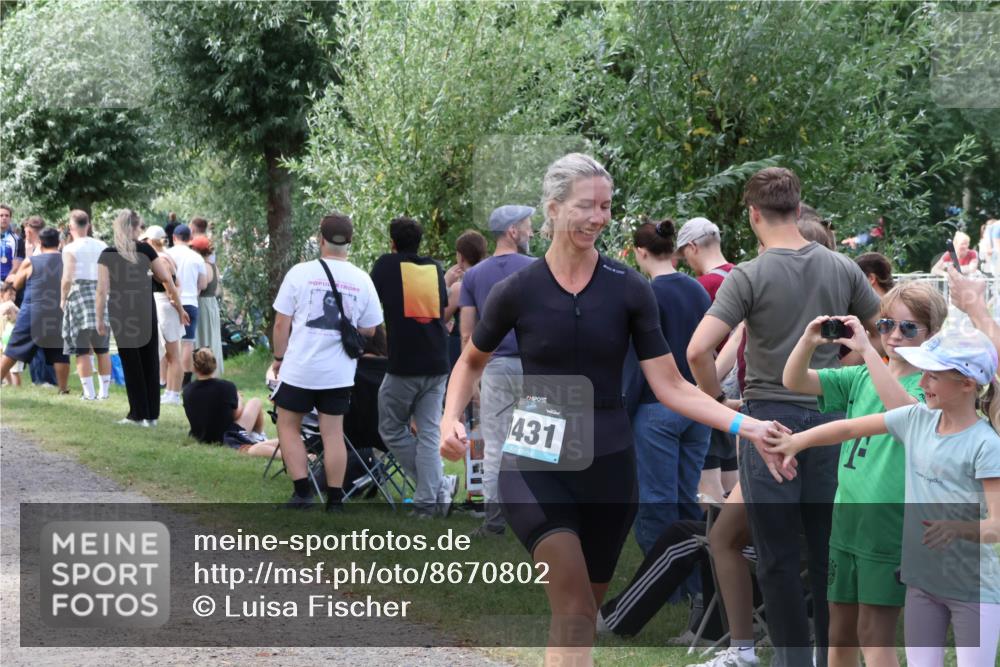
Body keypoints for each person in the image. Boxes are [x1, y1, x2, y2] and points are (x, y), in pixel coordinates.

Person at [439, 153, 786, 664]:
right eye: (586, 206)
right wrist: (450, 418)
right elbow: (471, 361)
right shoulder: (519, 290)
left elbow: (671, 384)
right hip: (536, 459)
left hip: (609, 465)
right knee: (575, 608)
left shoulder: (628, 289)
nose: (599, 217)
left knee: (580, 621)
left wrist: (746, 424)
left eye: (605, 206)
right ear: (553, 208)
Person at [687, 166, 883, 667]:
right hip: (831, 419)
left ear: (753, 215)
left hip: (768, 423)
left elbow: (698, 351)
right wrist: (841, 372)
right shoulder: (842, 267)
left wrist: (721, 408)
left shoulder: (749, 276)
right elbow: (878, 333)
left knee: (776, 556)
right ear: (799, 209)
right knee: (826, 553)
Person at [765, 329, 1000, 667]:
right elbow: (848, 429)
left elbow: (997, 526)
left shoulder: (986, 445)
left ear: (966, 384)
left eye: (933, 376)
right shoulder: (916, 419)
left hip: (973, 590)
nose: (922, 383)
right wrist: (796, 442)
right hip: (922, 584)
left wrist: (958, 528)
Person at [782, 282, 948, 667]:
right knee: (839, 633)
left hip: (888, 524)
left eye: (908, 329)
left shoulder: (931, 388)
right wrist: (808, 341)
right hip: (848, 519)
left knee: (875, 635)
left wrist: (868, 352)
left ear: (933, 334)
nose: (893, 336)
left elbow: (900, 411)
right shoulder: (858, 378)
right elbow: (793, 380)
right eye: (887, 324)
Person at [271, 213, 382, 511]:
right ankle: (335, 500)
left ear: (320, 238)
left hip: (300, 368)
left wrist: (279, 358)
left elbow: (282, 324)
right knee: (332, 433)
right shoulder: (362, 279)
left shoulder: (299, 272)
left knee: (288, 425)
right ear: (350, 242)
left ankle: (302, 493)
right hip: (339, 372)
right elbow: (370, 329)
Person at [631, 219, 712, 555]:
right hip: (696, 405)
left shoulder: (645, 294)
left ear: (640, 252)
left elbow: (636, 358)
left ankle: (662, 580)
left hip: (656, 405)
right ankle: (695, 577)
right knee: (687, 495)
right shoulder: (695, 289)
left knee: (656, 500)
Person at [371, 216, 457, 519]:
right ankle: (431, 498)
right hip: (437, 361)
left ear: (392, 243)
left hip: (405, 364)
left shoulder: (385, 266)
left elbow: (370, 302)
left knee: (391, 428)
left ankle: (434, 490)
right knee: (430, 433)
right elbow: (441, 310)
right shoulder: (434, 268)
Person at [458, 204, 536, 537]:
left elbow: (466, 333)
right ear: (512, 232)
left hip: (494, 367)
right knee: (536, 446)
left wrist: (470, 378)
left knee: (496, 444)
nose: (532, 232)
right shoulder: (538, 270)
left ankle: (494, 522)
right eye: (528, 226)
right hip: (535, 368)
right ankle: (538, 522)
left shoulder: (474, 275)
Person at [96, 210, 188, 426]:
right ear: (134, 228)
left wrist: (99, 318)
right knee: (150, 359)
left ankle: (137, 413)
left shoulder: (108, 253)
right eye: (139, 227)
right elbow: (166, 279)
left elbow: (102, 290)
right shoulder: (146, 249)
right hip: (145, 308)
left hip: (121, 310)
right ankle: (151, 415)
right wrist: (179, 307)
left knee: (131, 362)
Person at [674, 216, 740, 502]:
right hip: (742, 383)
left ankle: (714, 541)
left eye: (684, 254)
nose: (686, 261)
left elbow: (697, 348)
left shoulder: (702, 286)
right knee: (733, 471)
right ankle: (742, 539)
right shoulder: (742, 275)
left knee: (708, 482)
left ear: (692, 247)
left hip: (713, 383)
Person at [0, 227, 70, 393]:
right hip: (57, 310)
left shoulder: (31, 261)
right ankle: (63, 389)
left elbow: (16, 285)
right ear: (59, 242)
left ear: (40, 242)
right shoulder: (66, 261)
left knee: (13, 349)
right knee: (59, 351)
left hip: (33, 309)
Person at [183, 348, 277, 457]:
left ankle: (256, 435)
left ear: (194, 367)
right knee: (255, 402)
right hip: (227, 435)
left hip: (201, 435)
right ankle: (259, 436)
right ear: (215, 365)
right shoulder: (226, 386)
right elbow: (235, 415)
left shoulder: (187, 390)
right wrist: (239, 399)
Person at [60, 210, 112, 400]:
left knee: (81, 348)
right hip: (100, 293)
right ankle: (104, 393)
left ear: (71, 227)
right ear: (88, 225)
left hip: (79, 293)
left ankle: (89, 394)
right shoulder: (102, 245)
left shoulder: (70, 249)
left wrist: (62, 298)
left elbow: (67, 278)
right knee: (102, 348)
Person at [141, 225, 184, 403]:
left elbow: (170, 286)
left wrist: (177, 305)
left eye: (145, 241)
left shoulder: (161, 259)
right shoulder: (167, 256)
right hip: (165, 305)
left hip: (164, 305)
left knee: (173, 353)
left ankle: (174, 393)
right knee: (169, 353)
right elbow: (178, 284)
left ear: (151, 241)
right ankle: (169, 391)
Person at [166, 223, 207, 388]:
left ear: (174, 238)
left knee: (170, 343)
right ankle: (185, 382)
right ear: (190, 239)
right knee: (188, 343)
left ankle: (167, 380)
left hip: (170, 302)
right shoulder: (197, 257)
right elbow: (203, 284)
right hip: (190, 302)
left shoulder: (166, 254)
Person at [444, 229, 487, 368]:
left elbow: (438, 318)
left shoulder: (459, 287)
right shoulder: (492, 281)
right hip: (488, 346)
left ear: (460, 257)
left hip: (461, 348)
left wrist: (445, 283)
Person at [191, 235, 223, 376]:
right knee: (212, 335)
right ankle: (213, 368)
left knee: (202, 335)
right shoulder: (214, 266)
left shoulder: (201, 266)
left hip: (202, 303)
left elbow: (201, 286)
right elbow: (217, 290)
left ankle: (202, 367)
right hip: (212, 304)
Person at [0, 283, 20, 385]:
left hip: (8, 337)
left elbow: (17, 316)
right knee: (3, 363)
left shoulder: (11, 305)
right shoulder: (6, 305)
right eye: (10, 294)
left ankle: (15, 386)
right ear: (1, 294)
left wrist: (12, 314)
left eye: (14, 295)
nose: (12, 297)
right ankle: (8, 383)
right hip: (3, 337)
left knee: (13, 368)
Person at [0, 204, 22, 283]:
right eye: (1, 215)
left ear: (10, 218)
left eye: (7, 215)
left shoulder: (17, 240)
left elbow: (17, 266)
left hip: (7, 284)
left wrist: (5, 284)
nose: (4, 218)